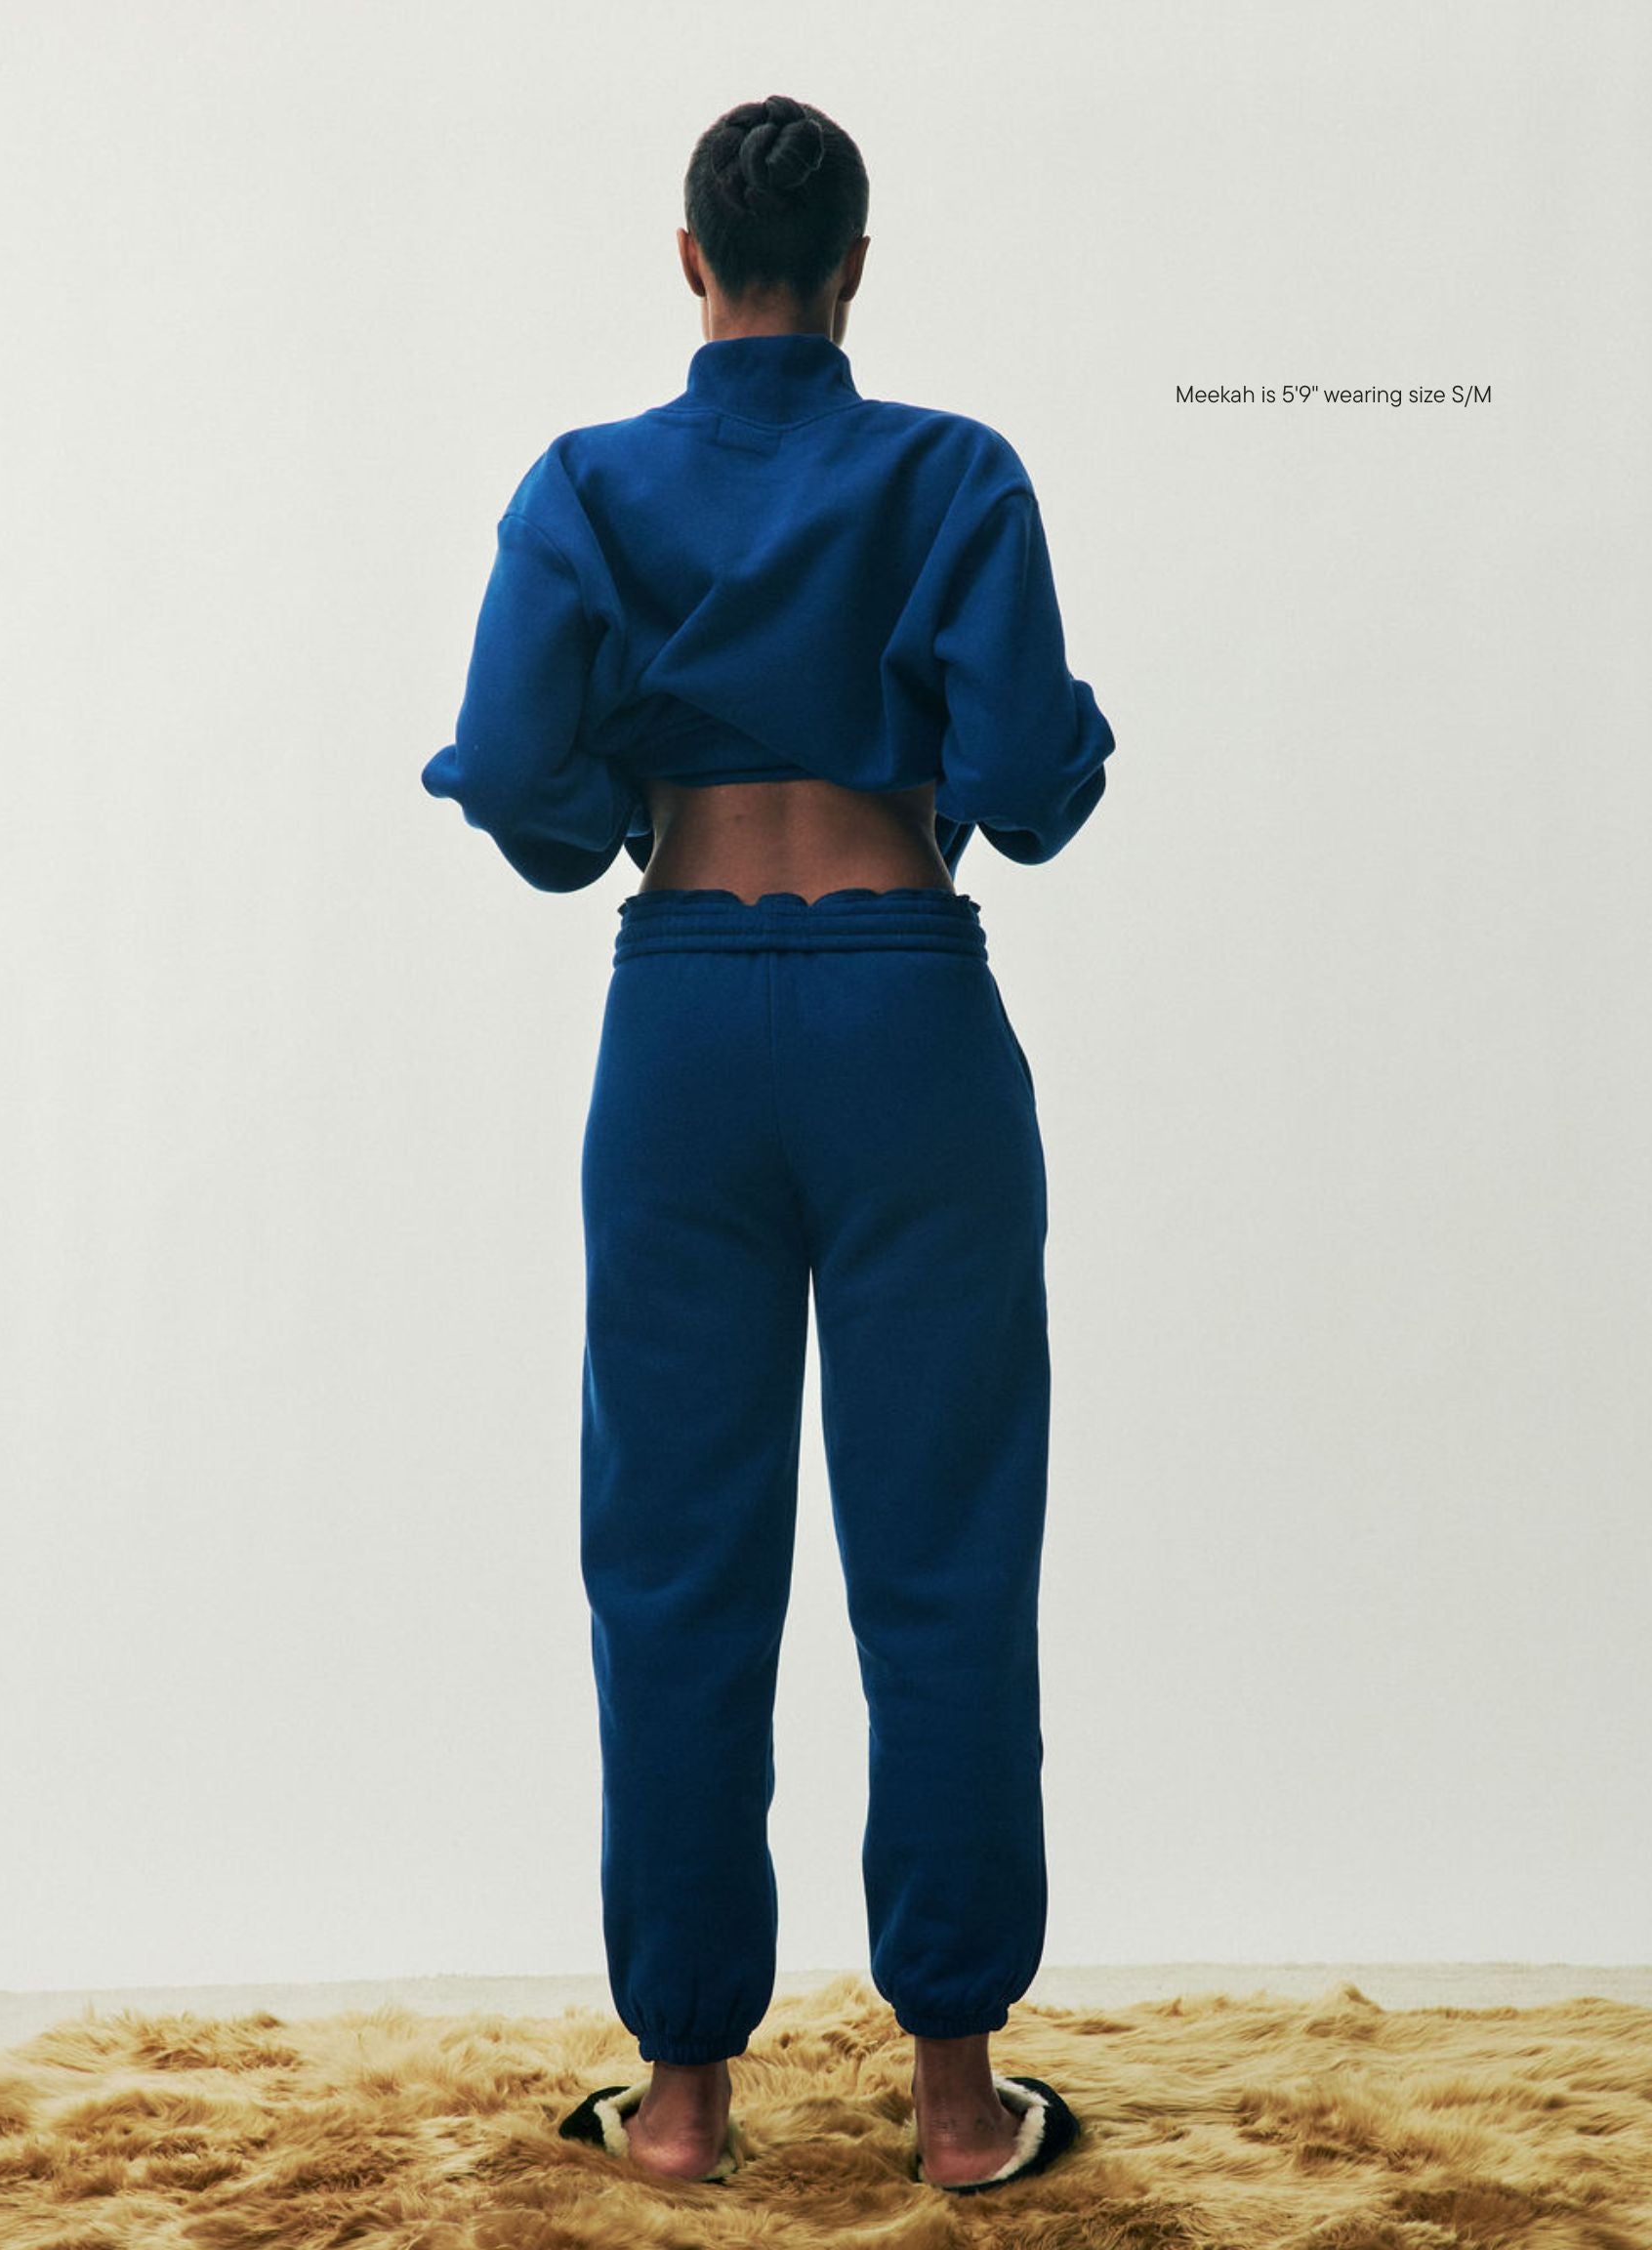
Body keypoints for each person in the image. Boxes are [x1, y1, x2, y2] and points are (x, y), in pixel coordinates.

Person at [422, 93, 1116, 2196]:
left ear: (689, 260)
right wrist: (978, 778)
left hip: (687, 1028)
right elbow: (1037, 779)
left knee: (675, 1564)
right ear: (856, 270)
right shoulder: (956, 472)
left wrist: (619, 804)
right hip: (910, 1013)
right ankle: (957, 2106)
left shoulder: (586, 485)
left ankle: (685, 2101)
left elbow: (518, 778)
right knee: (948, 1556)